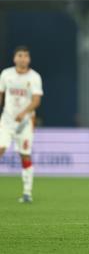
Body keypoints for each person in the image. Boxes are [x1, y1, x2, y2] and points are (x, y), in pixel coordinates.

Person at [0, 46, 43, 203]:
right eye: (20, 55)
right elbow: (1, 94)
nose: (23, 58)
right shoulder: (6, 74)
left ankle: (27, 192)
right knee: (1, 148)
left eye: (26, 56)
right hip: (7, 120)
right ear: (15, 58)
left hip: (25, 122)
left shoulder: (34, 77)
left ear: (29, 59)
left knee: (25, 154)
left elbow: (36, 100)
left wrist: (24, 113)